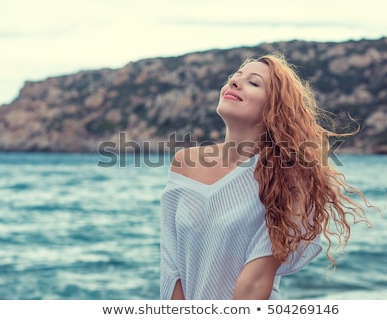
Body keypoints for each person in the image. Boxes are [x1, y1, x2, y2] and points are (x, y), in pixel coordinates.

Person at [160, 53, 373, 300]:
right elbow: (171, 264)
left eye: (254, 83)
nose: (234, 83)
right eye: (235, 77)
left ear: (274, 109)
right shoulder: (184, 163)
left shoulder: (290, 178)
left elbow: (255, 281)